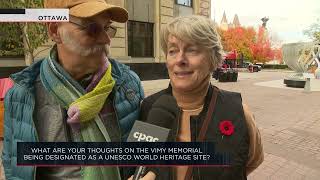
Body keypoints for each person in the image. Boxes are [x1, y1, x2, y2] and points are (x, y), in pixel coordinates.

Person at [2, 0, 144, 179]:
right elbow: (12, 162)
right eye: (92, 28)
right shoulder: (22, 95)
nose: (106, 39)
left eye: (107, 27)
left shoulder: (128, 85)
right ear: (55, 30)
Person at [135, 15, 263, 180]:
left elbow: (250, 161)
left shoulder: (237, 111)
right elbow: (141, 163)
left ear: (213, 59)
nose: (180, 59)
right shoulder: (150, 107)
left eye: (192, 50)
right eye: (172, 50)